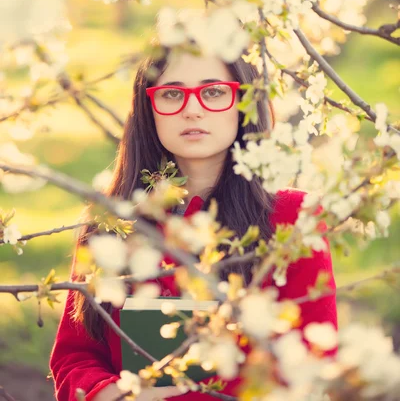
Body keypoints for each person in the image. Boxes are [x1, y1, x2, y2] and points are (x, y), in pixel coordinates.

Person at [50, 43, 337, 401]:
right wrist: (113, 394)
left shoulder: (293, 218)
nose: (192, 109)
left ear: (244, 102)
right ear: (148, 108)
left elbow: (312, 363)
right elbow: (75, 356)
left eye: (214, 91)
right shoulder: (111, 222)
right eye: (172, 94)